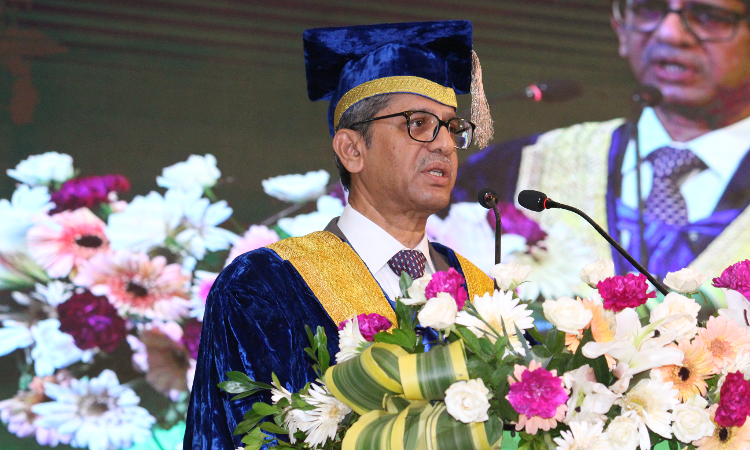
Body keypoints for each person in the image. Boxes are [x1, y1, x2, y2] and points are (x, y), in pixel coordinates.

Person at [184, 20, 496, 448]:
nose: (444, 144)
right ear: (352, 150)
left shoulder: (481, 292)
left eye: (453, 128)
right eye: (419, 124)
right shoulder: (263, 287)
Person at [453, 0, 750, 282]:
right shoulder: (506, 171)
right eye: (648, 9)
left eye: (708, 16)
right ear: (620, 29)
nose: (670, 33)